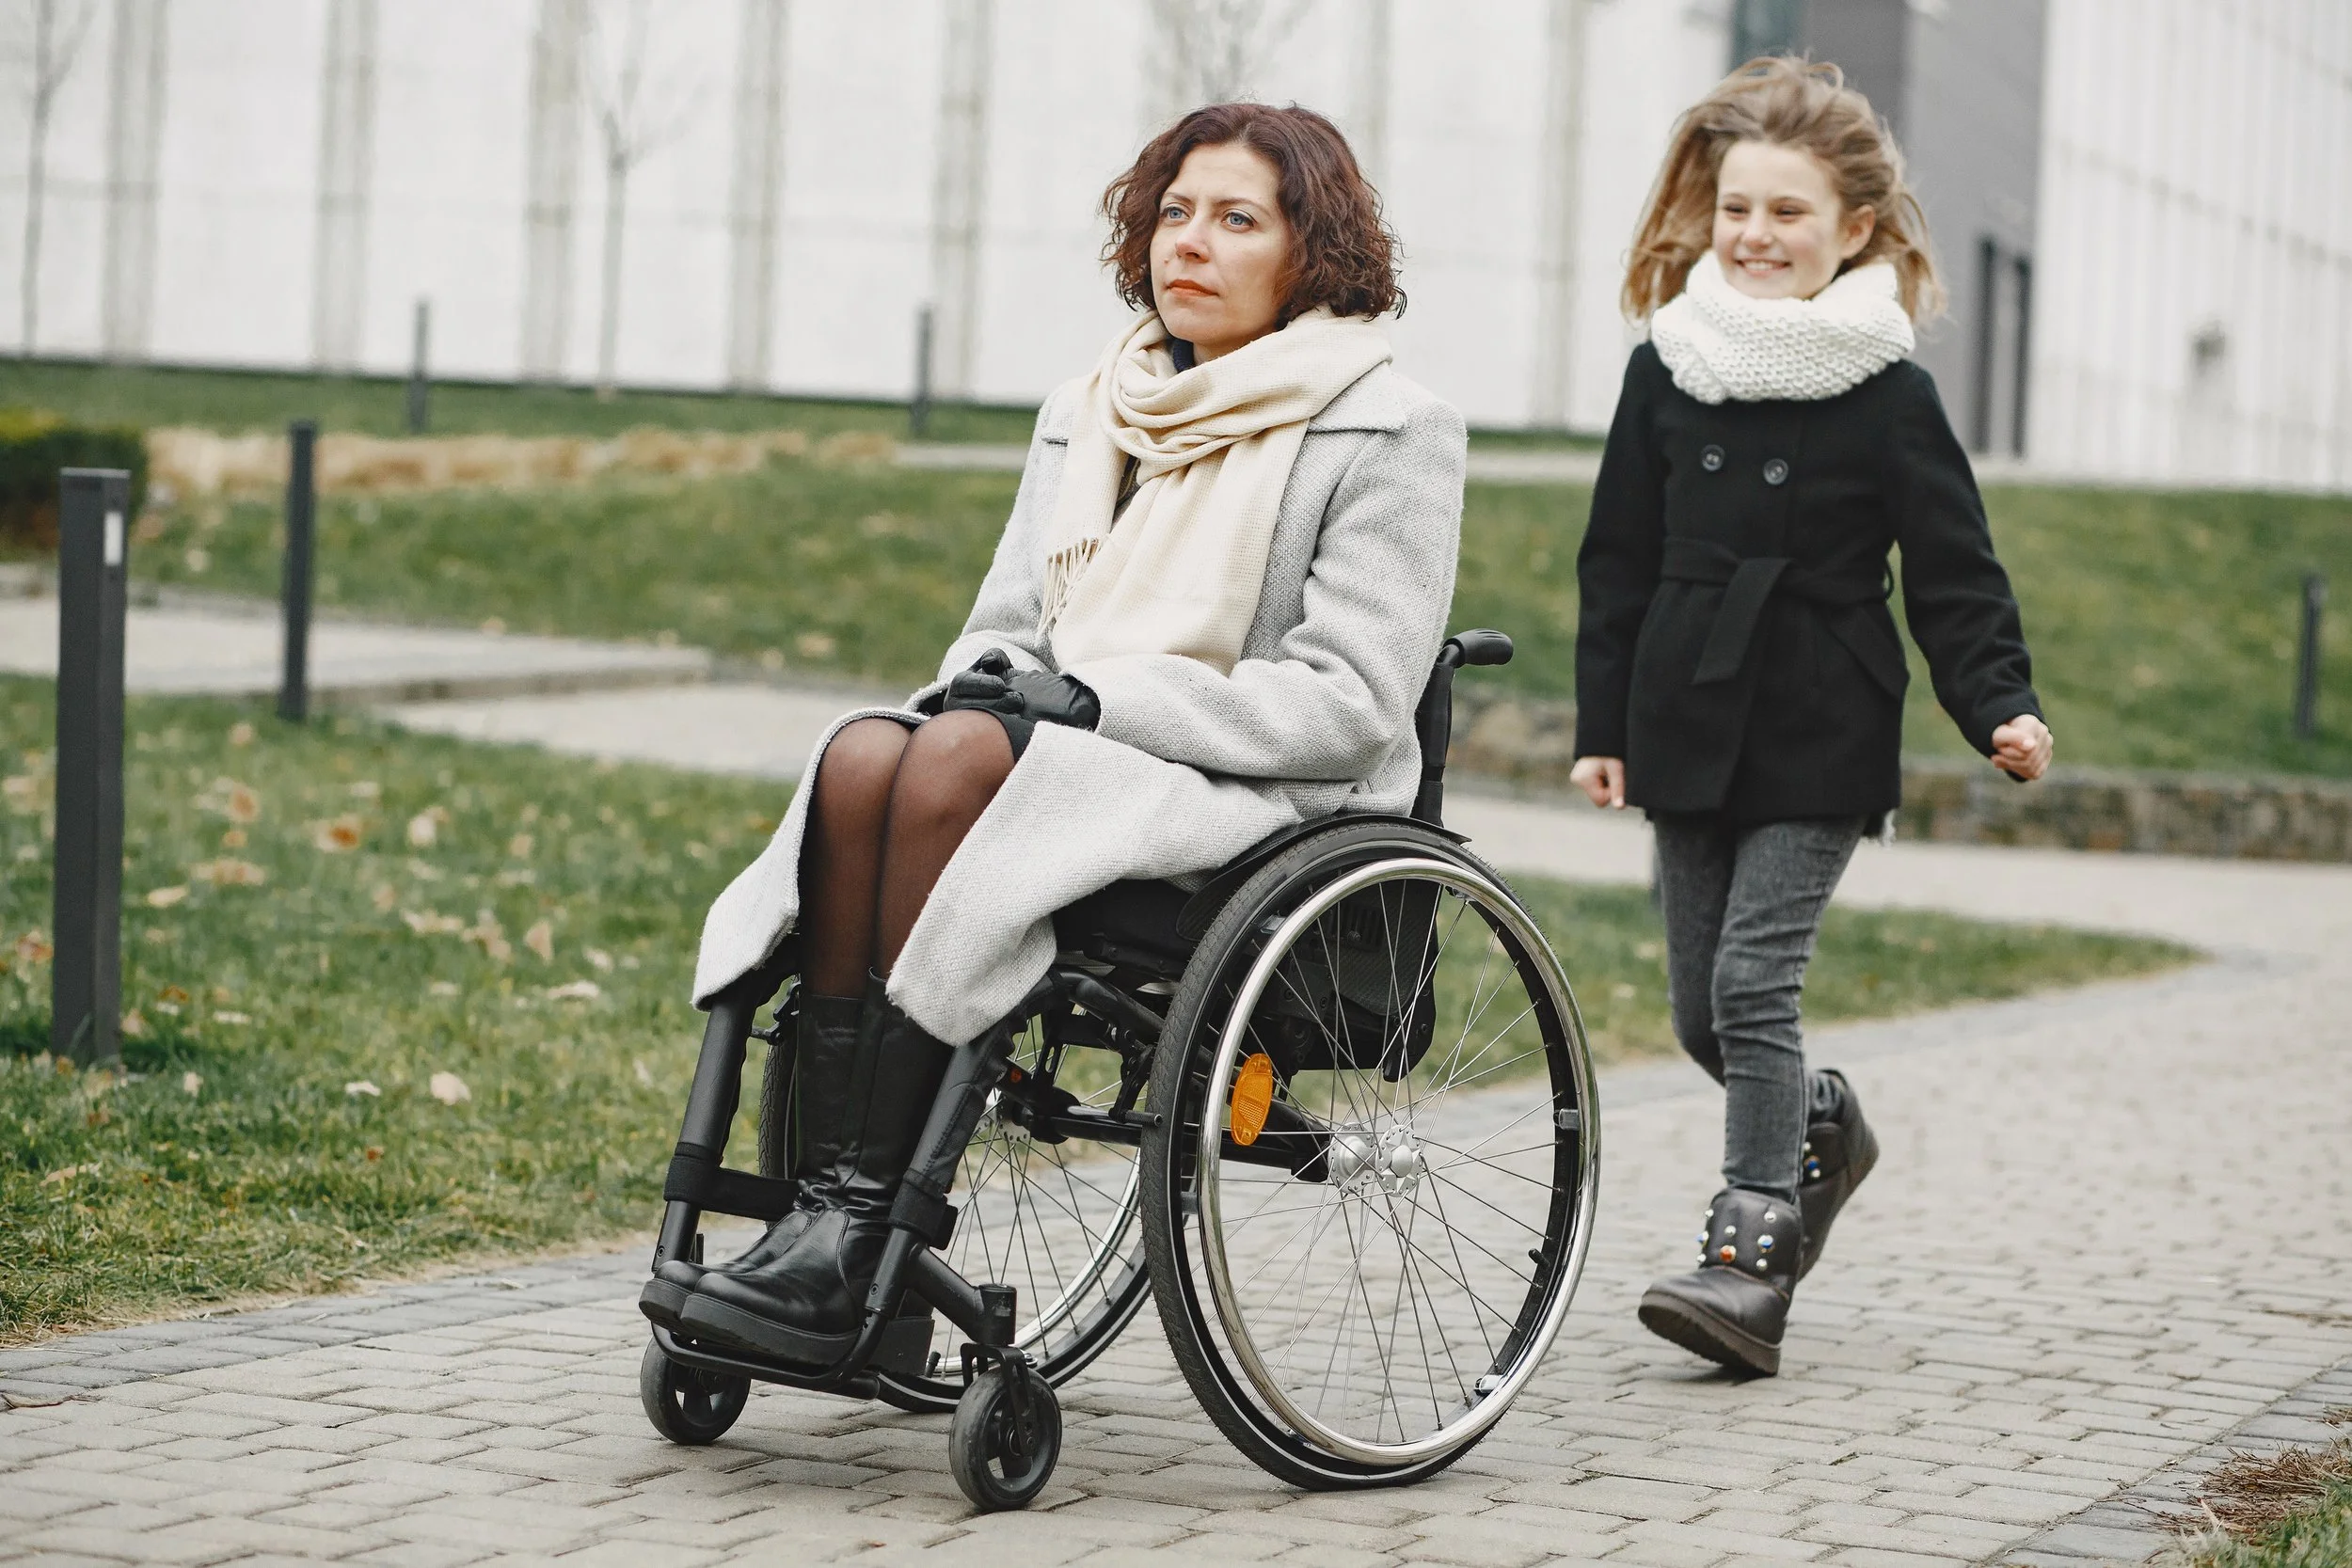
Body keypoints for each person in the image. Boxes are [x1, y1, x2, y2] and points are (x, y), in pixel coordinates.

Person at [649, 103, 1468, 1366]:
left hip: (1245, 793)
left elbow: (1349, 704)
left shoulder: (1388, 424)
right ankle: (826, 1216)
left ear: (1316, 251)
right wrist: (1011, 691)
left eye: (1237, 219)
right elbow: (1002, 635)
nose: (1188, 242)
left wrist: (1101, 702)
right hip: (1062, 759)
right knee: (869, 750)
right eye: (1175, 213)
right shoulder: (1092, 409)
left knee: (965, 754)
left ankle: (861, 1234)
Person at [1570, 57, 2051, 1377]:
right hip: (1685, 711)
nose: (1757, 235)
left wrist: (1998, 702)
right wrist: (1601, 720)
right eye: (1739, 209)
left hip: (1821, 719)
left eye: (1790, 214)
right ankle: (1817, 1128)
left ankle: (1749, 1253)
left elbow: (1954, 571)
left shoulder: (1887, 388)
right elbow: (1616, 557)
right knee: (1694, 1015)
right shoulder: (1666, 368)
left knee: (1751, 981)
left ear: (1854, 231)